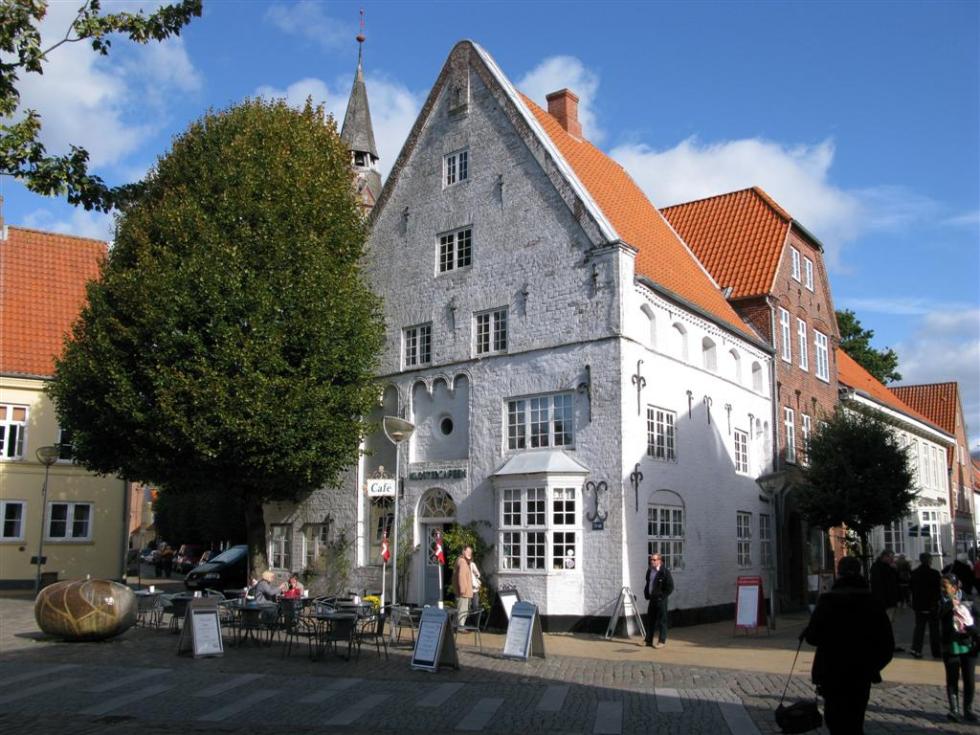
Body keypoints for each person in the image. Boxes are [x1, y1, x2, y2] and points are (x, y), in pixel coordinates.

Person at [801, 555, 893, 734]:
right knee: (856, 721)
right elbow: (887, 645)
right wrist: (872, 667)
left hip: (832, 672)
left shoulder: (828, 601)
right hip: (861, 674)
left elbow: (812, 637)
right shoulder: (872, 602)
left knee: (835, 722)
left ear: (839, 573)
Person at [940, 573, 979, 722]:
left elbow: (977, 617)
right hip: (950, 645)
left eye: (945, 586)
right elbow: (937, 615)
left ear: (955, 587)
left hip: (968, 645)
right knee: (952, 678)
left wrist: (975, 632)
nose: (942, 589)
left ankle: (968, 709)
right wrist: (950, 604)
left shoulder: (968, 599)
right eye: (941, 586)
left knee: (969, 679)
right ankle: (954, 710)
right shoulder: (940, 601)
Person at [910, 552, 942, 659]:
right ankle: (936, 651)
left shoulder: (914, 573)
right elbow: (938, 590)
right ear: (929, 561)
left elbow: (911, 589)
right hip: (932, 605)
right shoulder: (935, 574)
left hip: (919, 605)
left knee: (919, 628)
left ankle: (916, 649)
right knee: (934, 629)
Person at [643, 553, 674, 648]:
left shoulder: (664, 572)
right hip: (652, 598)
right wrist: (647, 593)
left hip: (661, 600)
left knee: (662, 621)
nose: (652, 561)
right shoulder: (650, 571)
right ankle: (648, 640)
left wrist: (662, 596)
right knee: (650, 620)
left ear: (659, 561)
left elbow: (670, 587)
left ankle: (661, 641)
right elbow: (648, 583)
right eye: (651, 559)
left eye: (654, 560)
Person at [452, 545, 474, 623]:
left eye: (470, 552)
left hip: (462, 593)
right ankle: (460, 627)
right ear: (463, 551)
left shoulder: (461, 561)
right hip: (463, 593)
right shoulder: (462, 562)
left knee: (459, 612)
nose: (469, 553)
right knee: (462, 613)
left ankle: (454, 627)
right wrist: (463, 589)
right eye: (467, 551)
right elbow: (461, 576)